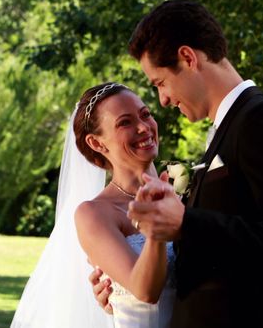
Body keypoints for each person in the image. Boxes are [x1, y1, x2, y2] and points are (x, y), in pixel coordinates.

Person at [91, 0, 263, 328]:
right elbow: (216, 254)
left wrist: (187, 222)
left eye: (160, 83)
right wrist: (120, 292)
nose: (164, 100)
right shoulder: (227, 130)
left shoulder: (262, 120)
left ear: (187, 58)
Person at [11, 83, 176, 328]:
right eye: (125, 123)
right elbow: (145, 291)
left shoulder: (179, 191)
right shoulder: (95, 214)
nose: (144, 127)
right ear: (97, 143)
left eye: (145, 114)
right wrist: (157, 223)